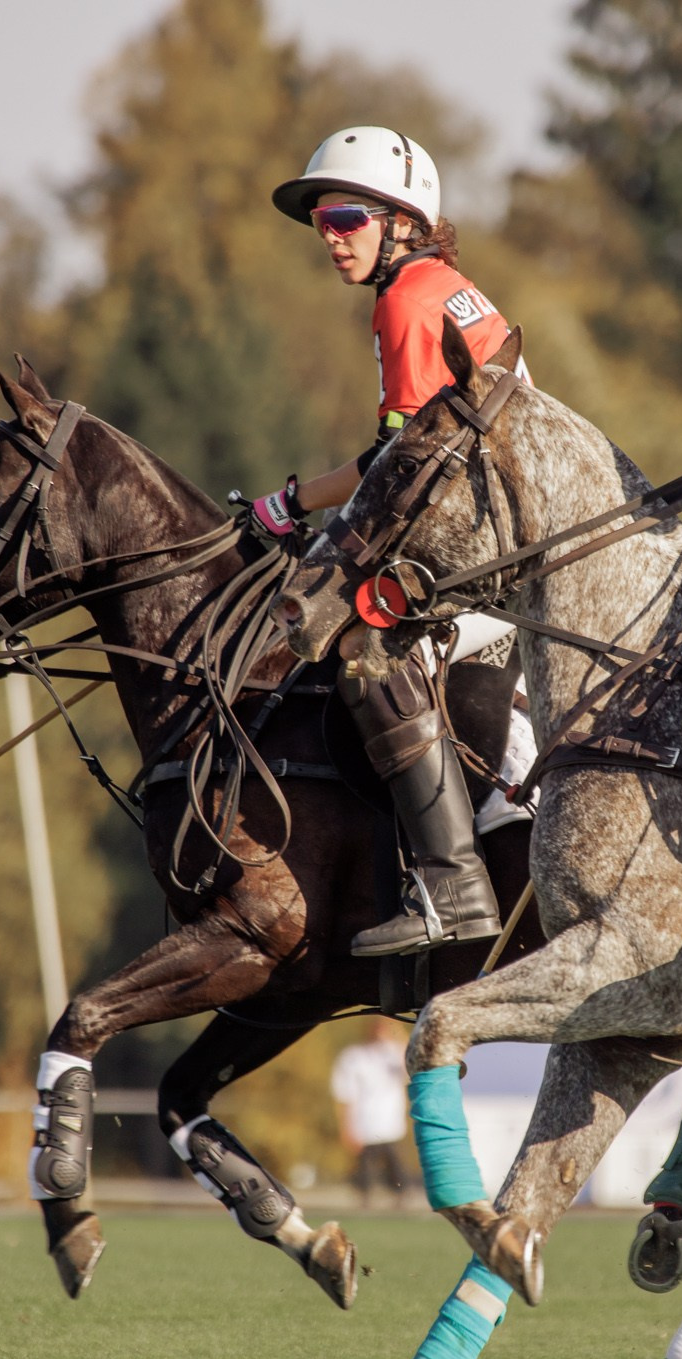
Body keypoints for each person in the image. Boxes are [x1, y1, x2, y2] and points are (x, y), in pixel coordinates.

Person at [260, 127, 522, 957]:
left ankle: (453, 886)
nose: (330, 237)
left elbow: (394, 468)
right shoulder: (442, 283)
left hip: (495, 547)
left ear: (402, 220)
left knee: (370, 657)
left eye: (344, 217)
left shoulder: (406, 298)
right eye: (321, 224)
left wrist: (291, 506)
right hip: (505, 526)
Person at [331, 1017, 412, 1204]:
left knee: (395, 1167)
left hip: (391, 1122)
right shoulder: (354, 1057)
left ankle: (401, 1198)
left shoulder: (394, 1054)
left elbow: (411, 1063)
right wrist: (346, 1127)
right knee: (365, 1170)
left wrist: (398, 1031)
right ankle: (364, 1200)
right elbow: (344, 1094)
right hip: (364, 1122)